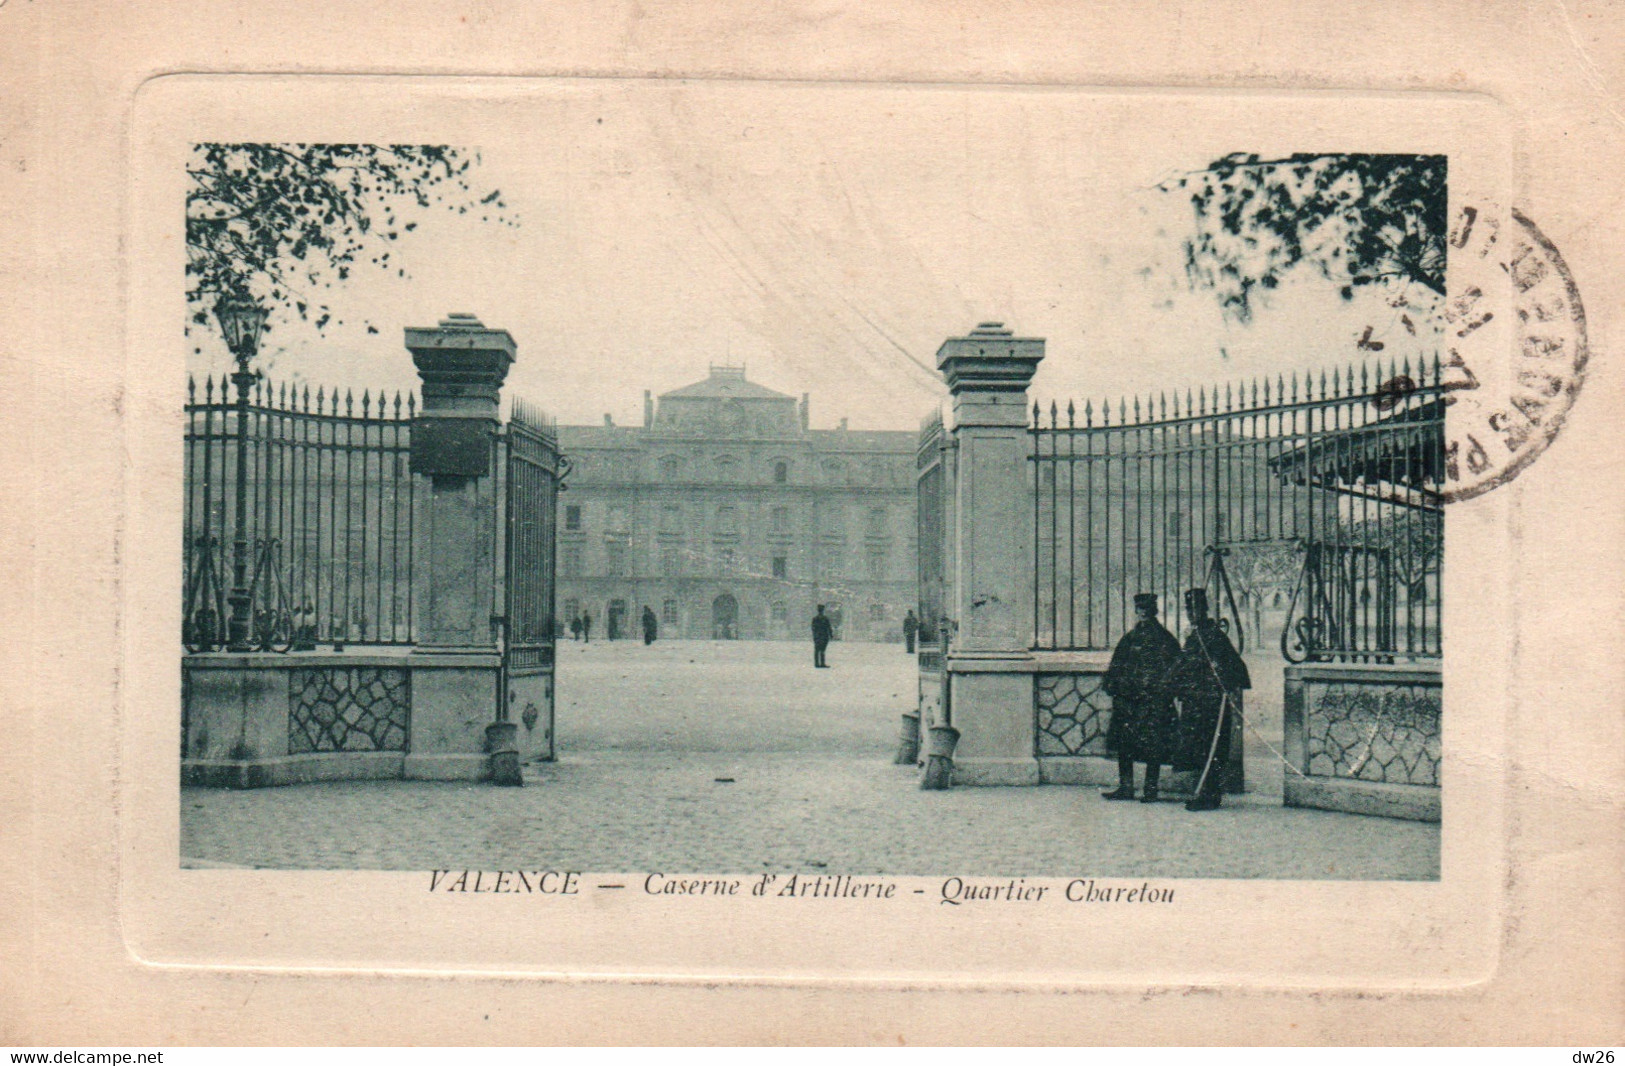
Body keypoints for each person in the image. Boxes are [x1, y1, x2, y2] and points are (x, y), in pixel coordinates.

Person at [1172, 587, 1251, 811]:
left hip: (1212, 704)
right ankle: (1203, 792)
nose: (1190, 613)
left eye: (1195, 609)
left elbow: (1235, 667)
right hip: (1195, 703)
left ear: (1204, 610)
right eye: (1188, 609)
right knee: (1198, 749)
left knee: (1213, 749)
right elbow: (1184, 665)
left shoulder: (1214, 636)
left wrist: (1224, 680)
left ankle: (1211, 795)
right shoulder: (1193, 636)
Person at [1100, 592, 1183, 803]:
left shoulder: (1164, 638)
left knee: (1153, 745)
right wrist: (1113, 684)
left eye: (1147, 609)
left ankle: (1150, 789)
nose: (1143, 613)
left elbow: (1175, 666)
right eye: (1140, 609)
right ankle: (1126, 787)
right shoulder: (1130, 637)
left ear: (1154, 611)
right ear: (1136, 611)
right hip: (1129, 701)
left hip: (1152, 700)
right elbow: (1117, 663)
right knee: (1124, 743)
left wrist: (1163, 691)